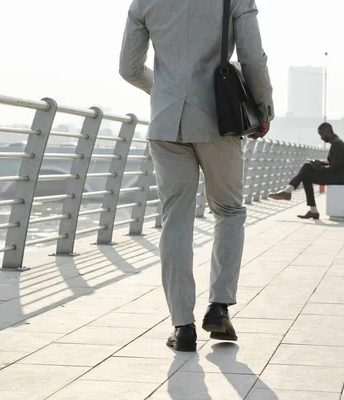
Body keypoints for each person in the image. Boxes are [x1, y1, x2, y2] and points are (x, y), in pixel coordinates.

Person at [119, 0, 274, 352]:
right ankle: (219, 307)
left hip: (165, 123)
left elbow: (129, 69)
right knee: (230, 211)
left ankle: (183, 326)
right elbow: (252, 59)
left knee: (175, 220)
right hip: (220, 120)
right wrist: (263, 108)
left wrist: (162, 90)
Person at [269, 123, 344, 219]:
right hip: (340, 175)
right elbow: (335, 165)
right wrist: (320, 164)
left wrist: (319, 168)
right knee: (307, 169)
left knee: (306, 171)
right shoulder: (336, 143)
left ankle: (289, 192)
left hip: (342, 179)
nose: (321, 138)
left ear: (328, 132)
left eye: (322, 135)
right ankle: (310, 209)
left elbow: (335, 167)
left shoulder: (337, 145)